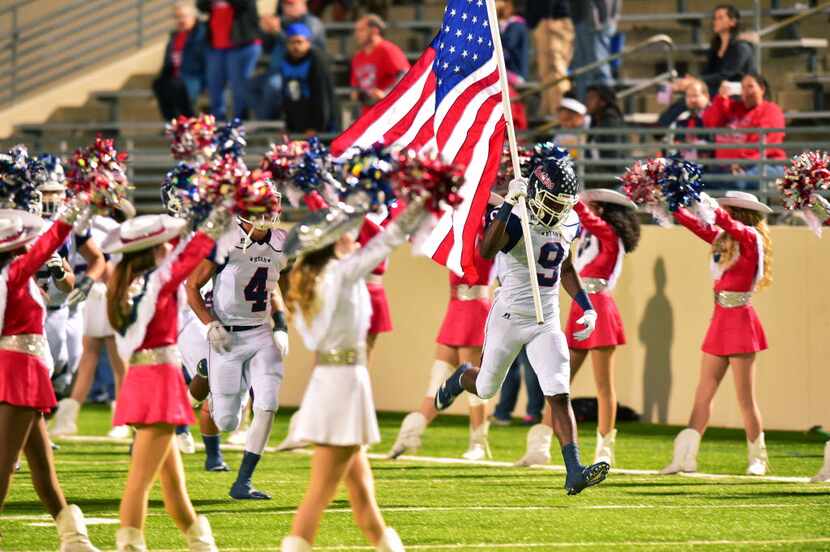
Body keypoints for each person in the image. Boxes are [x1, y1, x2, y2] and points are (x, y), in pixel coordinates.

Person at [432, 151, 610, 495]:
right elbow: (486, 251)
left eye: (563, 203)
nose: (558, 210)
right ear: (537, 193)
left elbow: (566, 267)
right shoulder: (515, 216)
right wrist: (509, 208)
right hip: (509, 317)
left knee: (559, 393)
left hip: (546, 320)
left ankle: (574, 471)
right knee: (485, 388)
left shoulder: (568, 221)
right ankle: (460, 378)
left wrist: (587, 306)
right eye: (553, 202)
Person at [278, 196, 431, 552]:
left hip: (341, 382)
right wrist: (424, 200)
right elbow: (390, 239)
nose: (356, 239)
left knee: (362, 492)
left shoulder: (319, 276)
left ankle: (386, 545)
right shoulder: (340, 274)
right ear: (333, 242)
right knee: (320, 492)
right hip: (342, 385)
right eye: (349, 235)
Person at [104, 210, 231, 551]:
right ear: (156, 251)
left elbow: (183, 252)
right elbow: (191, 255)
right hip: (158, 383)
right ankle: (129, 544)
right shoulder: (157, 282)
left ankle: (199, 541)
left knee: (173, 483)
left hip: (144, 381)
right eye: (165, 246)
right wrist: (223, 210)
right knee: (140, 482)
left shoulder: (132, 282)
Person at [0, 192, 100, 551]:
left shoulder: (14, 275)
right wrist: (77, 206)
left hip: (23, 372)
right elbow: (50, 243)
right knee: (4, 466)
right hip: (16, 373)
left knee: (42, 467)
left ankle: (74, 538)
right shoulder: (13, 272)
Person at [517, 188, 640, 467]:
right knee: (558, 382)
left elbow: (589, 221)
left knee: (603, 385)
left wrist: (570, 199)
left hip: (599, 310)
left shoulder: (609, 234)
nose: (583, 209)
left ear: (601, 210)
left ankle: (605, 449)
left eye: (588, 206)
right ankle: (540, 446)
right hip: (579, 309)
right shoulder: (586, 237)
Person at [661, 191, 772, 476]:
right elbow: (698, 226)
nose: (719, 211)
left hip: (741, 322)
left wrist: (708, 205)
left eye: (724, 208)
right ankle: (685, 457)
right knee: (703, 393)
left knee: (745, 397)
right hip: (720, 321)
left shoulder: (749, 237)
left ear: (737, 212)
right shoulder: (725, 239)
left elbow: (726, 224)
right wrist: (674, 206)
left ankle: (757, 458)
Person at [184, 206, 289, 500]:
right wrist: (209, 324)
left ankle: (243, 482)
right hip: (226, 337)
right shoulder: (224, 239)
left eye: (271, 204)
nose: (268, 212)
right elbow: (192, 286)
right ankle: (195, 391)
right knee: (226, 420)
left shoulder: (280, 241)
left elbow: (274, 281)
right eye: (261, 205)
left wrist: (281, 323)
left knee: (267, 404)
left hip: (260, 332)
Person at [387, 247, 495, 461]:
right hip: (455, 307)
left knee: (473, 381)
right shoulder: (455, 235)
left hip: (475, 308)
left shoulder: (486, 233)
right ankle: (411, 434)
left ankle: (478, 443)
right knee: (437, 378)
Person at [702, 72, 786, 189]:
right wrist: (721, 98)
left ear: (762, 89)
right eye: (742, 87)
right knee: (703, 181)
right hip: (726, 169)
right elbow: (710, 122)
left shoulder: (771, 110)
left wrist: (741, 163)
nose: (746, 91)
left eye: (750, 86)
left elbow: (764, 142)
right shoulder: (733, 107)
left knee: (737, 182)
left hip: (764, 164)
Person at [254, 0, 326, 120]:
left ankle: (267, 122)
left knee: (273, 85)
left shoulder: (312, 22)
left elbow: (301, 49)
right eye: (285, 4)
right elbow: (266, 48)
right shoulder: (282, 21)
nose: (287, 8)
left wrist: (277, 32)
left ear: (303, 3)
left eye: (291, 4)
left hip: (301, 73)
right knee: (249, 86)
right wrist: (265, 31)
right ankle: (266, 120)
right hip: (276, 70)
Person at [197, 0, 261, 120]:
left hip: (241, 45)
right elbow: (201, 5)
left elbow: (244, 4)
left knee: (238, 86)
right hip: (216, 46)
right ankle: (217, 121)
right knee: (214, 86)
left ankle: (239, 122)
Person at [675, 5, 756, 98]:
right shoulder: (715, 47)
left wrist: (696, 80)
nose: (715, 21)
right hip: (718, 89)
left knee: (695, 96)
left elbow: (726, 76)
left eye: (720, 18)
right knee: (686, 93)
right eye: (715, 18)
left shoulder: (741, 47)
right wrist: (691, 80)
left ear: (732, 22)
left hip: (738, 93)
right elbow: (708, 72)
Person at [153, 1, 207, 121]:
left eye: (184, 16)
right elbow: (168, 63)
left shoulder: (201, 35)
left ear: (193, 17)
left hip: (194, 77)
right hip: (176, 79)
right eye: (177, 17)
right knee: (159, 84)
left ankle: (189, 122)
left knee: (178, 87)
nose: (180, 20)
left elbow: (206, 61)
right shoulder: (174, 37)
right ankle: (173, 123)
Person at [280, 23, 335, 134]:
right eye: (292, 42)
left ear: (308, 42)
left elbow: (322, 95)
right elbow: (286, 94)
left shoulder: (317, 60)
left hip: (318, 121)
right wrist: (288, 125)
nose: (295, 46)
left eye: (299, 42)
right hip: (297, 116)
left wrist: (316, 126)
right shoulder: (285, 60)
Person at [350, 15, 410, 115]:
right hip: (369, 114)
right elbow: (356, 86)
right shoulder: (358, 57)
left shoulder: (387, 50)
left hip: (389, 112)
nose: (357, 34)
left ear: (374, 31)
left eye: (361, 30)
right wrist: (357, 94)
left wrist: (386, 93)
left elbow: (406, 75)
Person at [526, 1, 573, 115]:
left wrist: (549, 17)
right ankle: (550, 113)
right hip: (546, 21)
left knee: (555, 71)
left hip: (553, 20)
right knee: (546, 73)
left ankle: (562, 114)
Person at [569, 0, 621, 101]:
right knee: (583, 72)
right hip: (584, 17)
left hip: (594, 19)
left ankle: (607, 107)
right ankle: (586, 109)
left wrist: (597, 15)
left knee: (598, 70)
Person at [657, 78, 712, 161]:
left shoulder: (715, 117)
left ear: (706, 96)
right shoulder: (682, 118)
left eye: (695, 95)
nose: (692, 100)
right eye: (688, 96)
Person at [585, 84, 625, 176]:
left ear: (603, 102)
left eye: (591, 98)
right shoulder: (595, 120)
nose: (587, 102)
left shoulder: (611, 122)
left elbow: (613, 162)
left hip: (612, 174)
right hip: (599, 170)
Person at [496, 0, 529, 83]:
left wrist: (497, 23)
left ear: (510, 5)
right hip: (509, 73)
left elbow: (508, 43)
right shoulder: (510, 24)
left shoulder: (517, 25)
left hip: (515, 74)